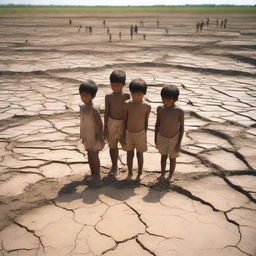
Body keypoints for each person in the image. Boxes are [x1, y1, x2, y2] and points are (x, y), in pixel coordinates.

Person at [122, 79, 151, 181]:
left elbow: (146, 122)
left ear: (144, 93)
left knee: (140, 154)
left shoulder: (147, 106)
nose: (136, 97)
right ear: (131, 93)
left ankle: (140, 173)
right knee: (129, 153)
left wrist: (144, 133)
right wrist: (123, 134)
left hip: (141, 134)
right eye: (134, 94)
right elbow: (125, 119)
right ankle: (129, 172)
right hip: (129, 133)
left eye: (139, 94)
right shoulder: (127, 104)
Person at [155, 85, 184, 182]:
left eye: (168, 100)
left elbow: (182, 127)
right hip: (162, 137)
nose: (165, 102)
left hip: (174, 138)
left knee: (172, 158)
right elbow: (157, 124)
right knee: (163, 157)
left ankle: (171, 175)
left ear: (175, 99)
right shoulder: (160, 109)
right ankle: (162, 174)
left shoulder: (179, 111)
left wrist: (179, 143)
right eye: (163, 99)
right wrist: (155, 137)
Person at [104, 70, 130, 177]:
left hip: (124, 124)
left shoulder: (126, 96)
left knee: (127, 145)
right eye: (112, 85)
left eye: (117, 85)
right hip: (112, 123)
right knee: (112, 145)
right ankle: (114, 166)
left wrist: (127, 126)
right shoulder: (108, 97)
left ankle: (129, 167)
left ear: (123, 84)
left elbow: (129, 111)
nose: (114, 87)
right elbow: (106, 112)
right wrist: (105, 127)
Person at [79, 80, 104, 183]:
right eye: (81, 95)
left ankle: (97, 175)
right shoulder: (82, 107)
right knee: (89, 155)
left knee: (94, 156)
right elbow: (83, 122)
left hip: (94, 137)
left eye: (86, 95)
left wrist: (100, 137)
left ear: (92, 96)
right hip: (87, 136)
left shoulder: (94, 109)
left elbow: (100, 124)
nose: (83, 97)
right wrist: (82, 135)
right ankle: (93, 173)